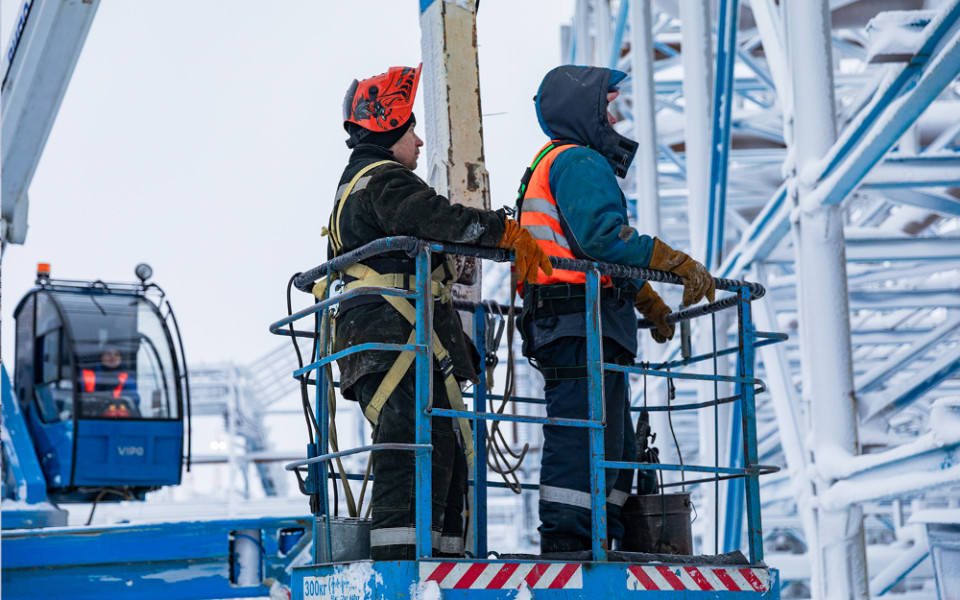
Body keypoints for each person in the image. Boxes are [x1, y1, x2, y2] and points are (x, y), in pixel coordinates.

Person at [321, 64, 552, 560]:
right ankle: (404, 570)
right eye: (411, 131)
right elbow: (437, 219)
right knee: (411, 454)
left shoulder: (361, 185)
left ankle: (442, 562)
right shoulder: (383, 180)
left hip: (389, 339)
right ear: (389, 131)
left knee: (440, 447)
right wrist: (500, 231)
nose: (421, 142)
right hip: (392, 340)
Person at [516, 65, 715, 553]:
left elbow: (587, 254)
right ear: (581, 111)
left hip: (587, 324)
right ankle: (570, 542)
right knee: (583, 437)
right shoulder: (578, 161)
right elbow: (602, 238)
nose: (612, 115)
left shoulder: (561, 163)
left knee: (613, 445)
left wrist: (643, 297)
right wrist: (674, 261)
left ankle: (606, 535)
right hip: (576, 325)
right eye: (604, 105)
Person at [81, 345, 139, 417]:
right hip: (88, 416)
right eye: (108, 354)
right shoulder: (87, 374)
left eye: (116, 355)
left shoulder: (126, 377)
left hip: (116, 416)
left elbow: (134, 400)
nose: (112, 357)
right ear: (101, 357)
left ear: (120, 359)